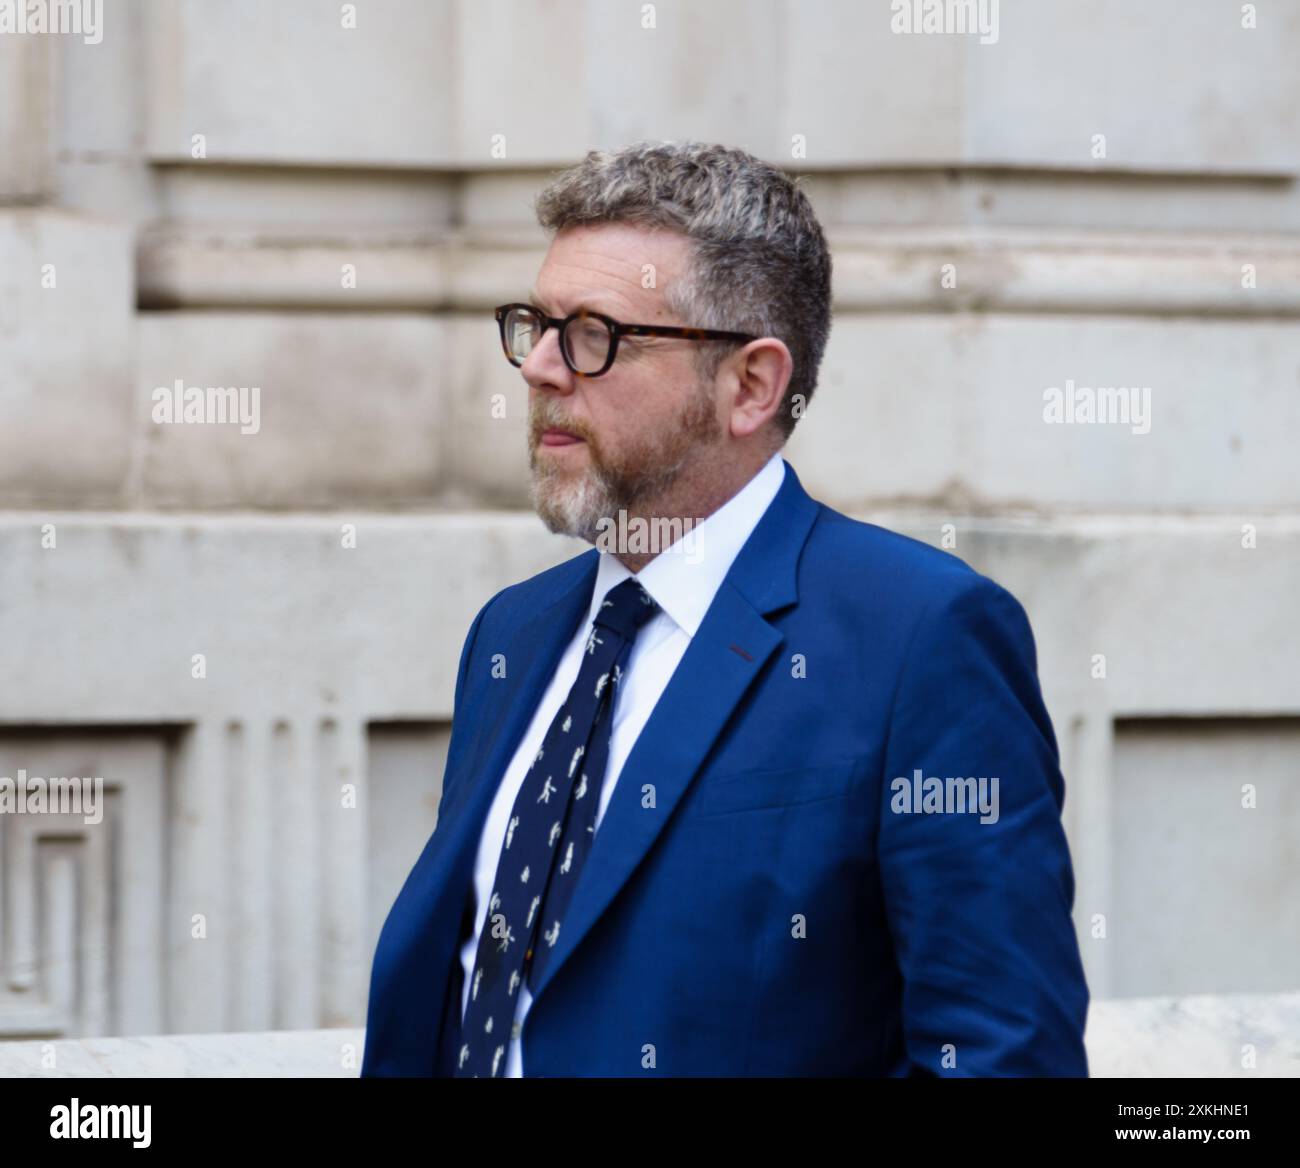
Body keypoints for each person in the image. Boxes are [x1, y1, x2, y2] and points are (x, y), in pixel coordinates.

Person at [361, 140, 1089, 1077]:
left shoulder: (922, 638)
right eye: (534, 325)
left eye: (595, 334)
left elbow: (1000, 1053)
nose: (540, 367)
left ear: (750, 384)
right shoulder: (513, 633)